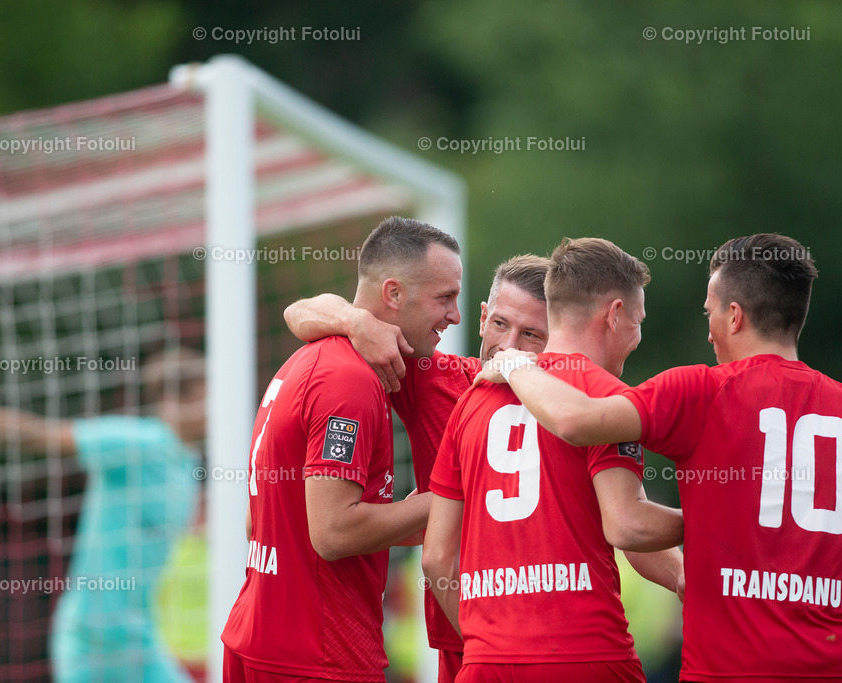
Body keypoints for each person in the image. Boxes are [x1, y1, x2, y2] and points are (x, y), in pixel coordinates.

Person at [476, 233, 842, 682]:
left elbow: (575, 419)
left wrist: (517, 364)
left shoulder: (700, 391)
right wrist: (818, 578)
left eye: (709, 313)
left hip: (730, 669)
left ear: (734, 316)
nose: (707, 330)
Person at [423, 237, 684, 683]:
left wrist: (486, 643)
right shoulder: (605, 397)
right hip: (586, 655)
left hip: (487, 662)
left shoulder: (471, 402)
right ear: (615, 314)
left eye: (527, 331)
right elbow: (629, 524)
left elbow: (435, 557)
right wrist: (722, 513)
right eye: (637, 322)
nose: (637, 338)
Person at [283, 253, 552, 682]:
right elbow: (298, 312)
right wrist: (359, 323)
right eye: (501, 324)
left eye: (533, 334)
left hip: (557, 641)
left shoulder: (577, 408)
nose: (509, 347)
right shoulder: (432, 378)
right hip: (467, 643)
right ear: (482, 318)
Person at [220, 216, 461, 682]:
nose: (454, 314)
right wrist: (453, 499)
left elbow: (264, 518)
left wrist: (407, 517)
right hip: (318, 654)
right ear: (393, 294)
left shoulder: (312, 355)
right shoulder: (349, 381)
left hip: (262, 636)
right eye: (444, 297)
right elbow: (332, 533)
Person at [0, 347, 205, 682]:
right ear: (174, 401)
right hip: (91, 638)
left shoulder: (188, 461)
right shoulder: (141, 442)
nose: (218, 406)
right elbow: (42, 435)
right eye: (207, 396)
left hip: (139, 640)